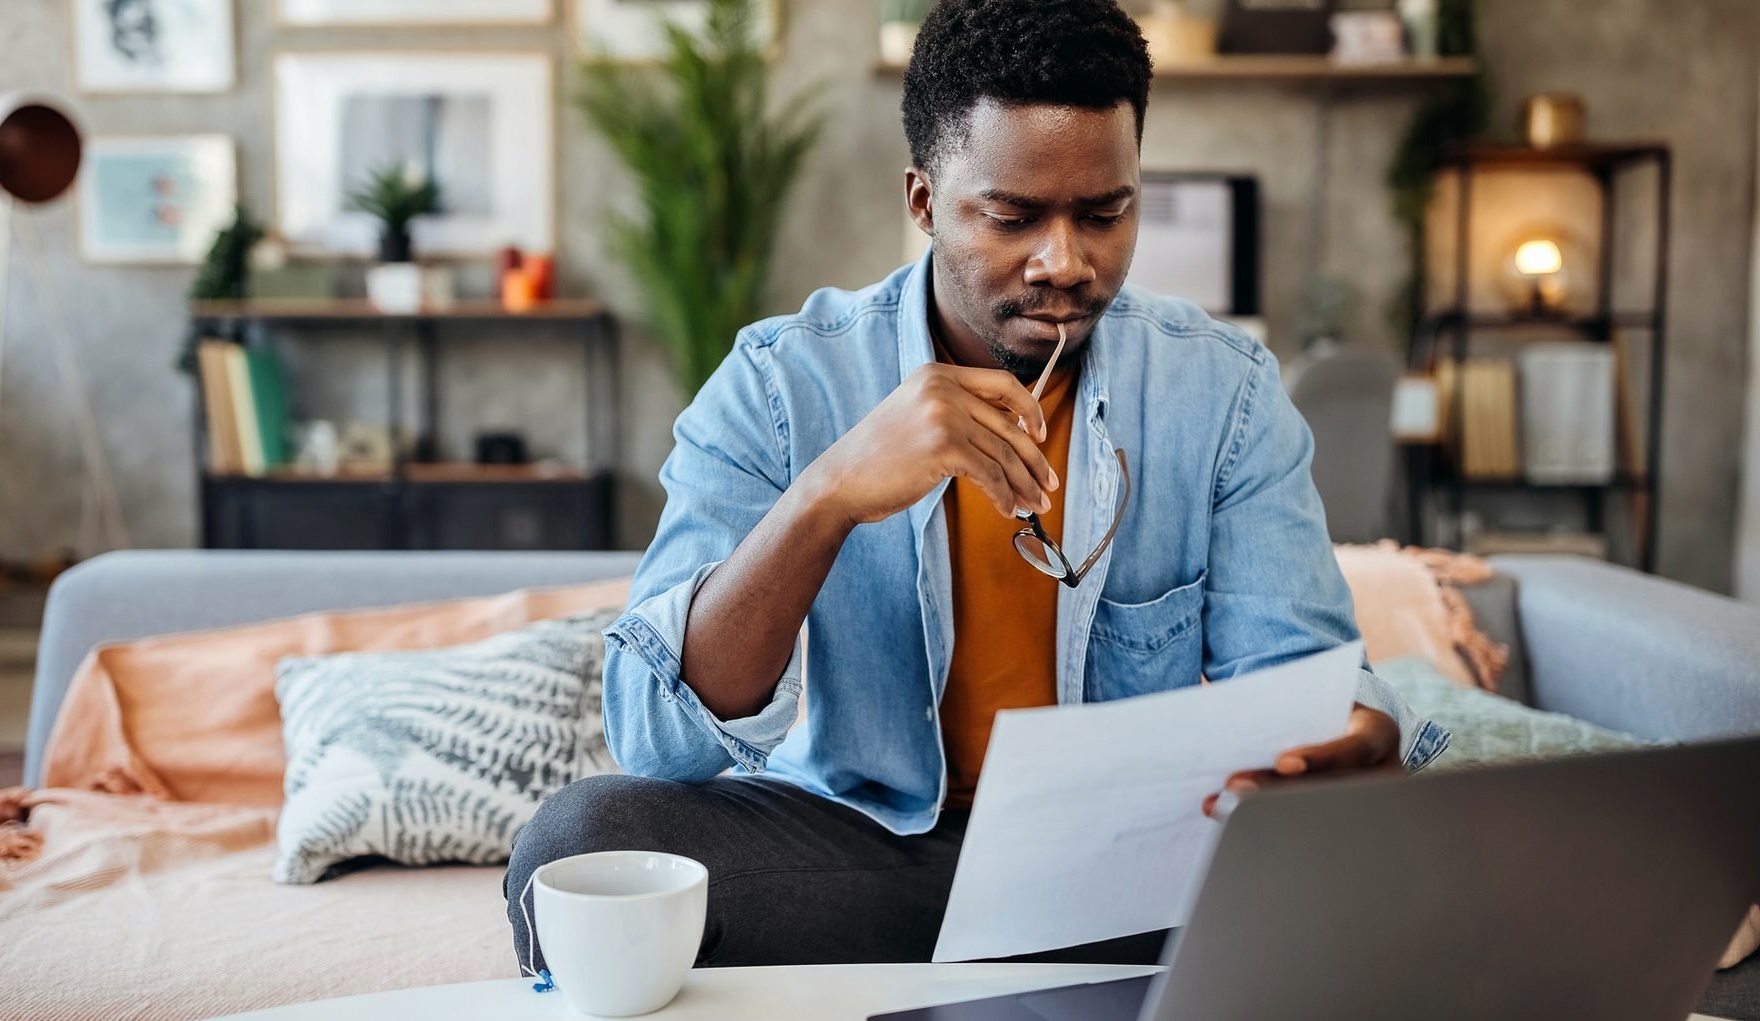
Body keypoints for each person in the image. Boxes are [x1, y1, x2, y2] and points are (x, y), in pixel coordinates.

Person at [507, 0, 1447, 969]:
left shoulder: (1222, 390)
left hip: (1121, 866)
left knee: (1432, 869)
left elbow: (1295, 681)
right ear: (922, 202)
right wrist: (830, 495)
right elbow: (657, 737)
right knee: (580, 847)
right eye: (1012, 217)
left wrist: (1347, 732)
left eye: (1105, 214)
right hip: (874, 857)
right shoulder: (781, 385)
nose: (1065, 263)